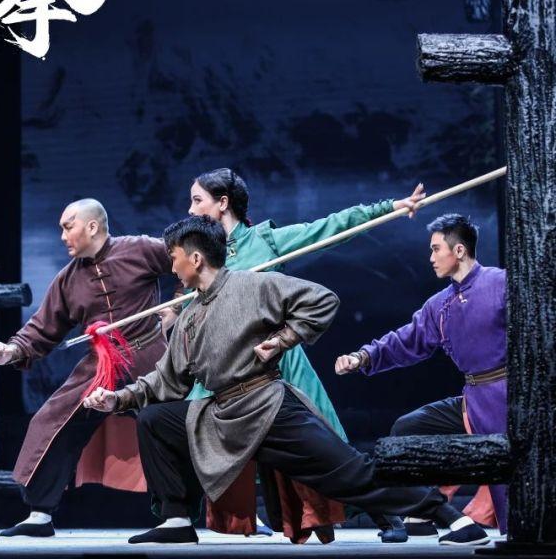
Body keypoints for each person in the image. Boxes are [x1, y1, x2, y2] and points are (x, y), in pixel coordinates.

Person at [83, 215, 489, 546]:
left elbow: (322, 300)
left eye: (174, 258)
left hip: (268, 408)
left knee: (350, 473)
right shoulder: (189, 315)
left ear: (195, 258)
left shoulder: (253, 284)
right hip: (222, 414)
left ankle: (447, 515)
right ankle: (175, 519)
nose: (172, 268)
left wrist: (283, 339)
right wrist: (118, 399)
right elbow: (166, 381)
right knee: (155, 419)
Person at [177, 168, 425, 541]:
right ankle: (185, 519)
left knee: (329, 443)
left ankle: (388, 514)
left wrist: (388, 207)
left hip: (278, 359)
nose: (191, 209)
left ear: (222, 203)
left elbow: (330, 227)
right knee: (205, 437)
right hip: (230, 368)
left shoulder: (265, 241)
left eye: (198, 200)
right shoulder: (204, 257)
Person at [0, 198, 173, 537]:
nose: (62, 236)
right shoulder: (68, 280)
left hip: (150, 356)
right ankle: (39, 514)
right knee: (53, 419)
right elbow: (42, 328)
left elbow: (190, 263)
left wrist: (178, 309)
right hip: (102, 362)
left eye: (67, 226)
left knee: (172, 422)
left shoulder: (141, 249)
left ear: (92, 226)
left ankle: (179, 516)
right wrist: (11, 350)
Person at [336, 213, 507, 534]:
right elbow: (406, 340)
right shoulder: (439, 304)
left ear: (459, 251)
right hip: (472, 399)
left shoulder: (501, 283)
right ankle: (425, 512)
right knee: (409, 427)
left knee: (510, 480)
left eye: (436, 249)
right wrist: (363, 357)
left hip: (508, 398)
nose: (430, 258)